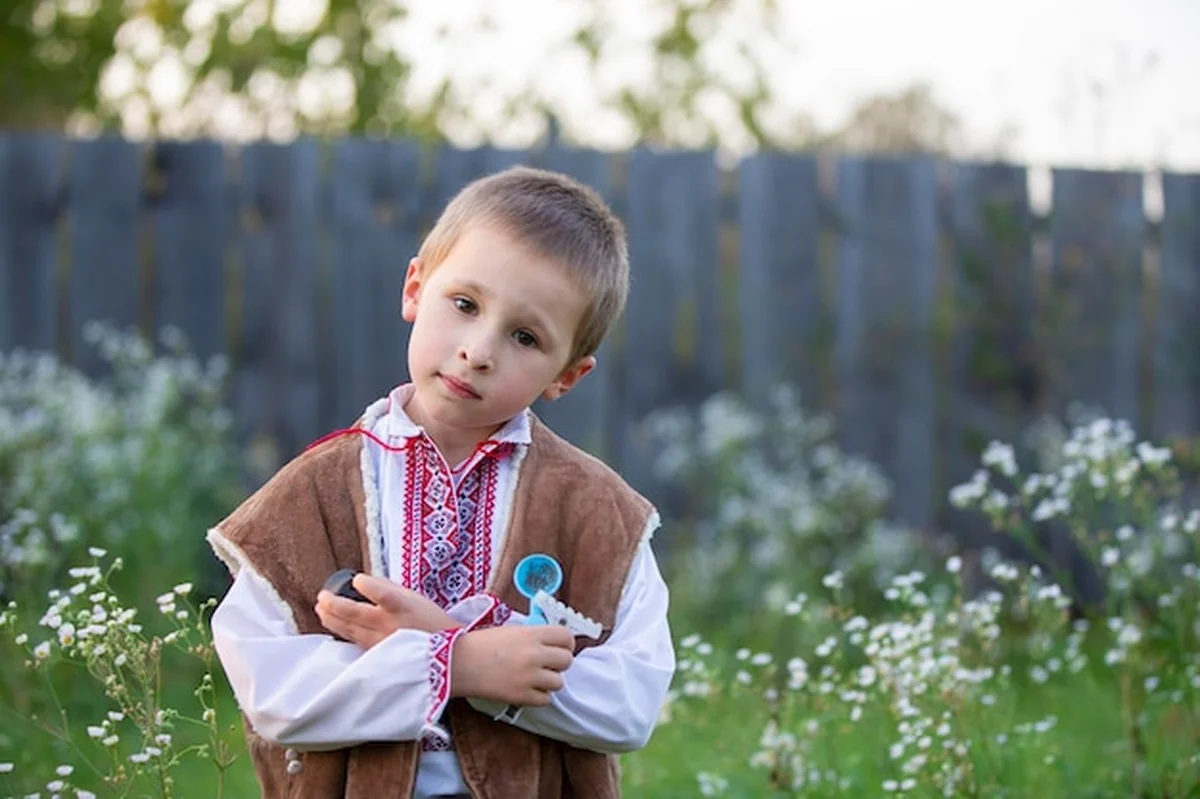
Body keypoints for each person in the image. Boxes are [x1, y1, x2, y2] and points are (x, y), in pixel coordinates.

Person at [208, 166, 675, 799]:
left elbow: (630, 703)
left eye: (525, 336)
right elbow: (273, 691)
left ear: (567, 375)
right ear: (415, 288)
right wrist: (454, 664)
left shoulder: (600, 513)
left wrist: (475, 660)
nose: (479, 350)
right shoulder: (309, 496)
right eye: (465, 305)